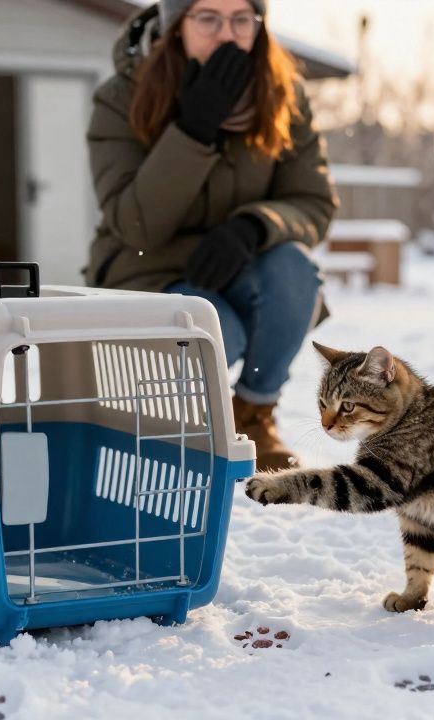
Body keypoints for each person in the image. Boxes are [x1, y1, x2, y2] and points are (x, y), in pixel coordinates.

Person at [86, 0, 337, 472]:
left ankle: (254, 413)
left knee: (294, 270)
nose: (227, 34)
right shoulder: (121, 97)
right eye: (208, 18)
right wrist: (193, 130)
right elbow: (135, 226)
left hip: (242, 263)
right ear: (176, 26)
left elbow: (314, 202)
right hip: (149, 271)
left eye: (242, 19)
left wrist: (254, 226)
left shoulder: (283, 96)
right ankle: (179, 426)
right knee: (219, 334)